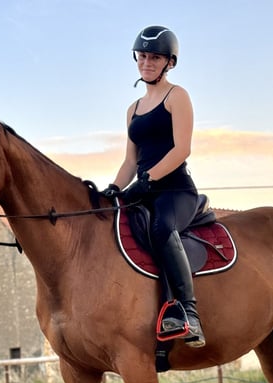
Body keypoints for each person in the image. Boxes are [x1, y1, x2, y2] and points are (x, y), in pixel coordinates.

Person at [103, 25, 205, 348]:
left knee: (162, 228)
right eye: (143, 56)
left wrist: (149, 180)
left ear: (169, 62)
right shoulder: (132, 110)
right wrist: (113, 190)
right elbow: (130, 162)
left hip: (175, 190)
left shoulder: (178, 97)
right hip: (143, 191)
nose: (147, 62)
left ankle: (189, 314)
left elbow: (182, 149)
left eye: (155, 57)